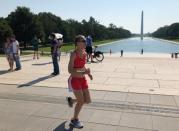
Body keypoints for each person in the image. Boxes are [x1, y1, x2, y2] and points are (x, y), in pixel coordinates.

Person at [66, 35, 93, 129]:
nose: (85, 42)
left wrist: (88, 74)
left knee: (87, 100)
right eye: (82, 41)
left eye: (85, 41)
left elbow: (83, 66)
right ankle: (74, 120)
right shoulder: (74, 54)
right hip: (75, 80)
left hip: (83, 79)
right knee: (81, 101)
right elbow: (70, 70)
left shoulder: (85, 53)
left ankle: (72, 100)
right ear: (77, 43)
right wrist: (83, 72)